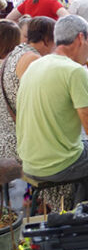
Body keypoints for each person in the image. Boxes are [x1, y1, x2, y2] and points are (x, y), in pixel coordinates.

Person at [16, 15, 88, 203]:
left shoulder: (36, 64)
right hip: (57, 164)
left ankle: (86, 205)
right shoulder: (74, 71)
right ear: (81, 38)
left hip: (29, 161)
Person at [1, 17, 56, 162]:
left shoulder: (15, 55)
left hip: (6, 138)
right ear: (46, 40)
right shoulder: (33, 60)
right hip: (21, 145)